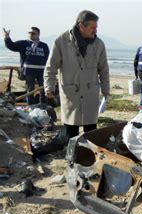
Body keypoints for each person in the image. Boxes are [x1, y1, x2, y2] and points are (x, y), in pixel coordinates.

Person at [44, 10, 109, 140]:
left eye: (96, 27)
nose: (95, 30)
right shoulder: (61, 41)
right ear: (81, 25)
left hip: (91, 94)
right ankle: (71, 157)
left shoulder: (99, 44)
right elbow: (51, 67)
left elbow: (104, 70)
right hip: (71, 94)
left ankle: (89, 157)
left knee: (91, 133)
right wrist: (49, 87)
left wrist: (106, 91)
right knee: (71, 132)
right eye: (93, 27)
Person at [3, 26, 50, 104]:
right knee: (30, 89)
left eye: (33, 33)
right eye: (29, 33)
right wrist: (7, 38)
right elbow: (11, 46)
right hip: (29, 71)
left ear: (38, 34)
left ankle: (43, 105)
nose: (31, 34)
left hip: (42, 71)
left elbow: (48, 58)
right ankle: (30, 106)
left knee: (44, 89)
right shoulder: (23, 43)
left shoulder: (44, 45)